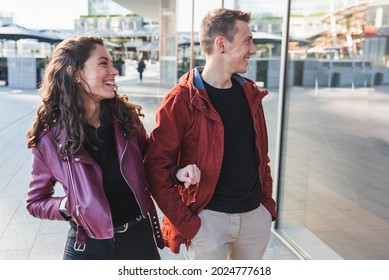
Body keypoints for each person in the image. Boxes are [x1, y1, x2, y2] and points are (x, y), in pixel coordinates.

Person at [144, 8, 276, 260]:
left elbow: (262, 158)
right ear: (221, 44)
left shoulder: (250, 95)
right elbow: (156, 168)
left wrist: (266, 209)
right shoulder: (181, 100)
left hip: (253, 220)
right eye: (247, 41)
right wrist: (190, 225)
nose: (254, 50)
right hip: (208, 223)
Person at [26, 35, 164, 260]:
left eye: (111, 63)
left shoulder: (126, 119)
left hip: (138, 240)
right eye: (103, 63)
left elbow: (154, 164)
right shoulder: (50, 138)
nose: (114, 71)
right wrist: (66, 205)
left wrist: (177, 172)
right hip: (87, 247)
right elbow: (35, 201)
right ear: (75, 74)